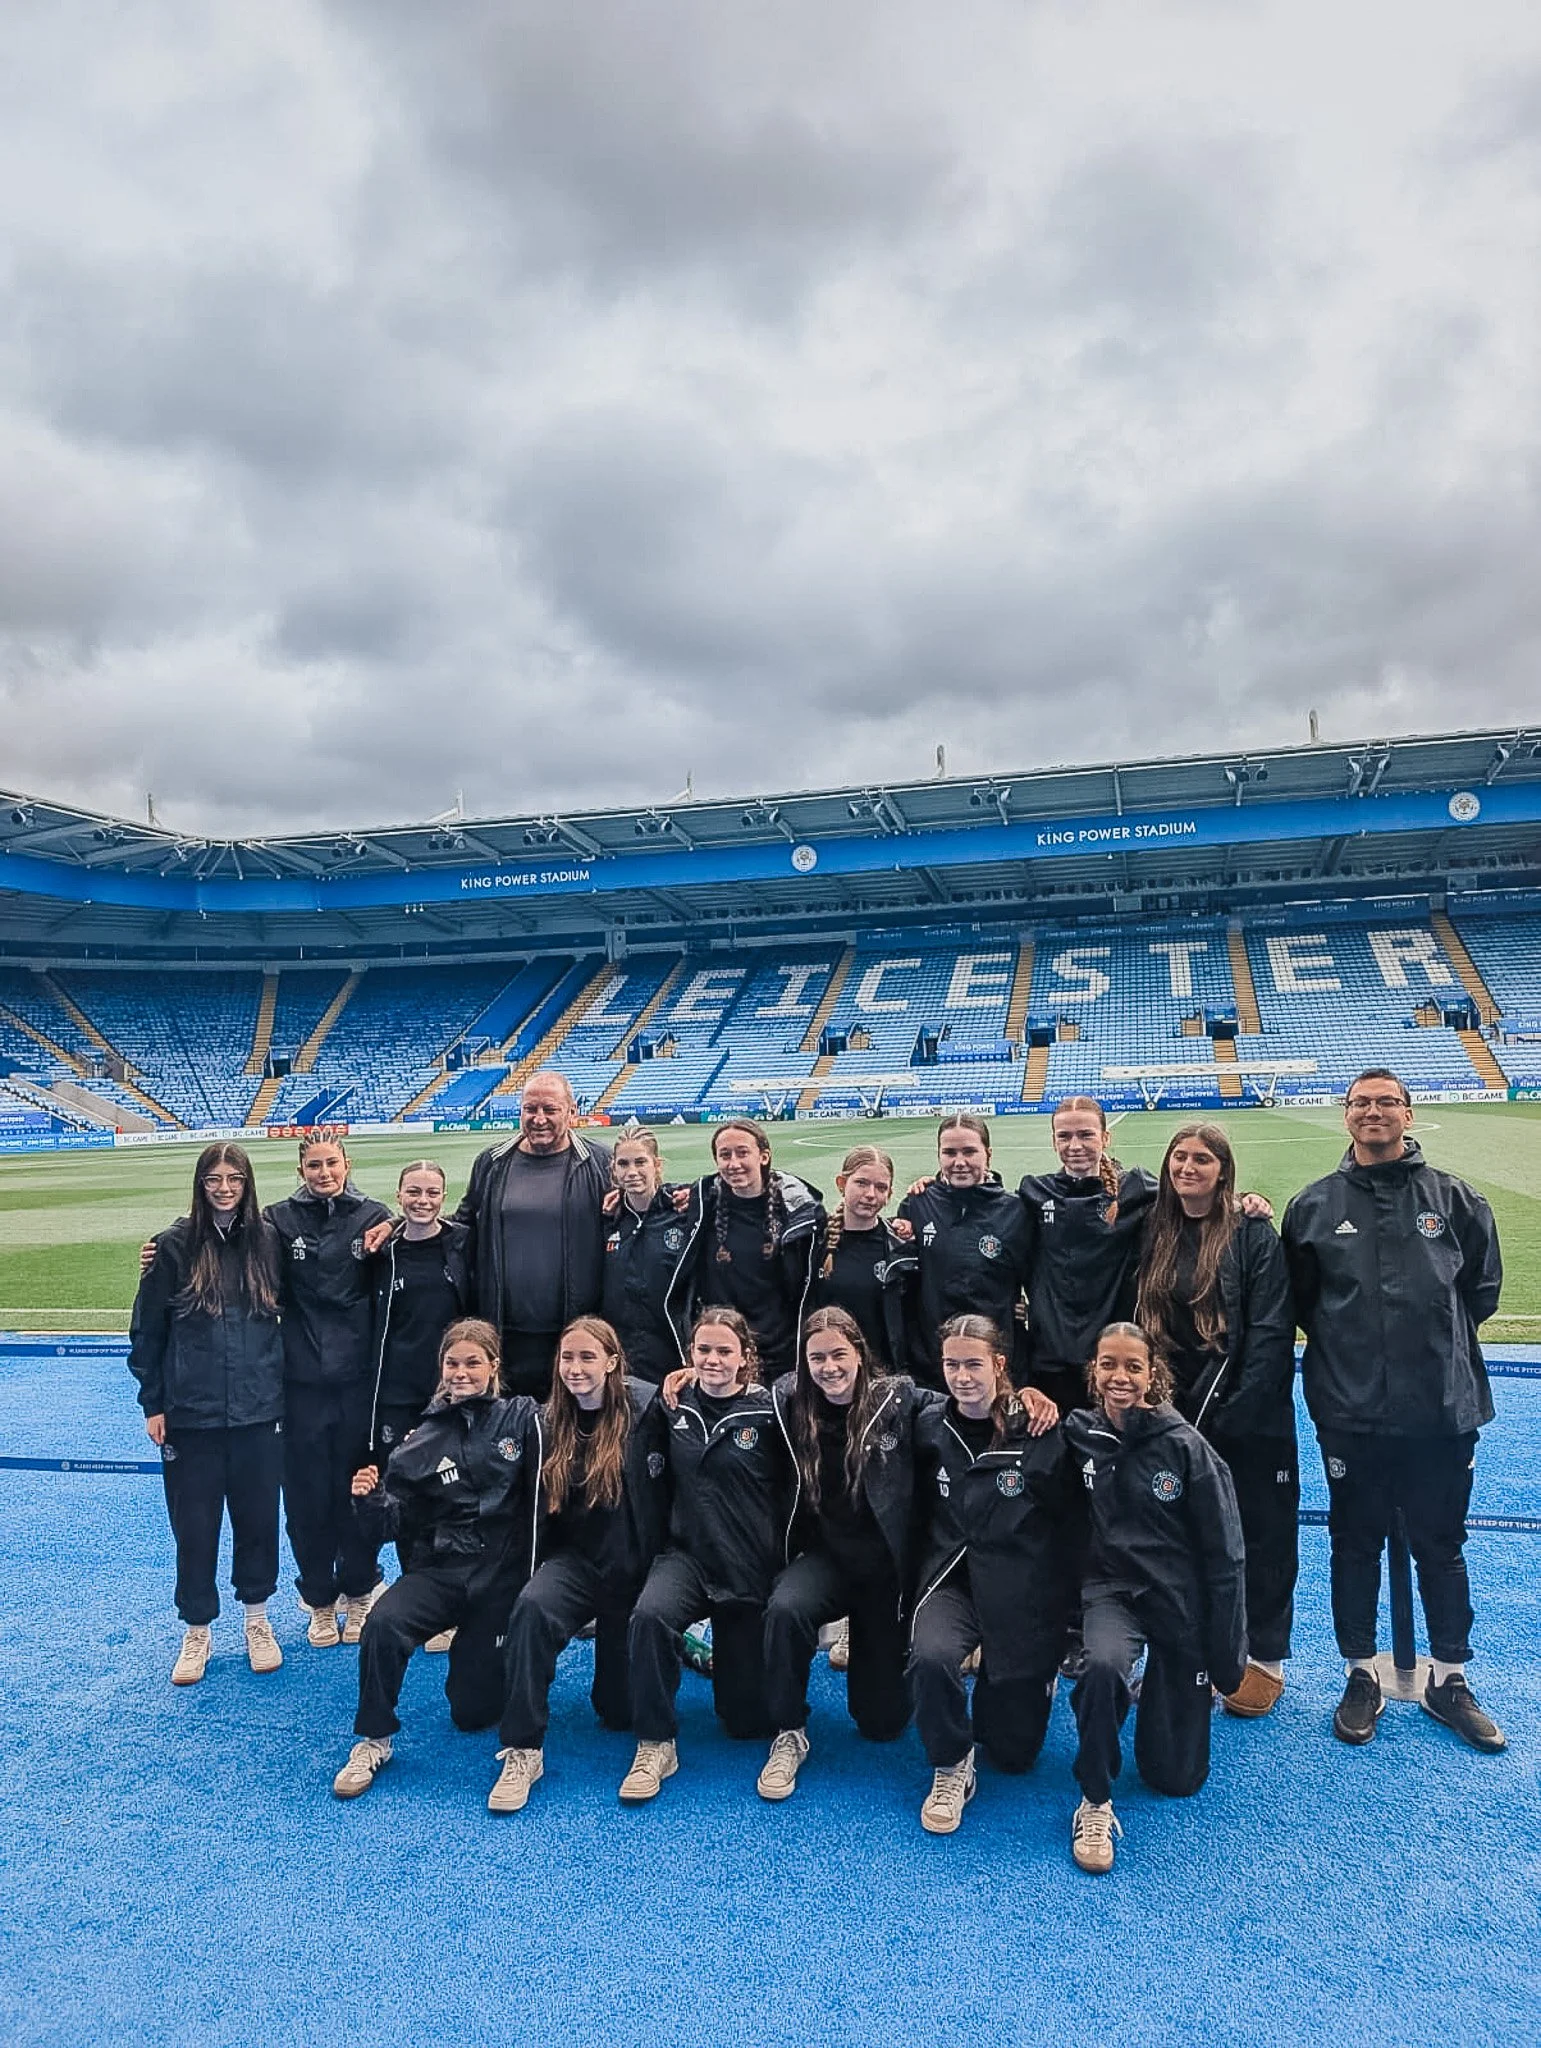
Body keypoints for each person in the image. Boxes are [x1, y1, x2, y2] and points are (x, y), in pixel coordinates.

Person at [1282, 1069, 1505, 1753]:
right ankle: (1359, 1674)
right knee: (1353, 1542)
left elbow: (1480, 1291)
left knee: (1441, 1543)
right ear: (1344, 1115)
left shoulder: (1455, 1200)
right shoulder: (1313, 1206)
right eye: (1360, 1102)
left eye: (1385, 1101)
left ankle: (1450, 1679)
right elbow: (1298, 1304)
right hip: (1351, 1413)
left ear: (1407, 1113)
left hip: (1442, 1408)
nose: (1372, 1111)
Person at [1061, 1323, 1247, 1874]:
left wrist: (1226, 1659)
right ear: (1093, 1372)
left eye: (1132, 1366)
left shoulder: (1187, 1449)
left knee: (1175, 1780)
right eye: (1108, 1364)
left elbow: (1227, 1558)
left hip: (1177, 1602)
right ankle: (1094, 1799)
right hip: (1112, 1593)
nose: (1120, 1377)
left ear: (1152, 1374)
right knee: (1102, 1666)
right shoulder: (1080, 1434)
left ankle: (1163, 1687)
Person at [332, 1321, 542, 1798]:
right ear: (441, 1369)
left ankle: (506, 1694)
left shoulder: (523, 1417)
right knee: (382, 1623)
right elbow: (390, 1526)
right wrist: (369, 1500)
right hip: (444, 1574)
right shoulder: (418, 1442)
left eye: (473, 1362)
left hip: (503, 1577)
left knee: (471, 1714)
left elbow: (580, 1418)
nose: (461, 1373)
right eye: (453, 1363)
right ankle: (373, 1739)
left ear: (493, 1367)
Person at [1135, 1123, 1298, 1717]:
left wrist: (1235, 1417)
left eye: (1202, 1159)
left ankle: (1265, 1657)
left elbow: (1273, 1331)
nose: (1188, 1168)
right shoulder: (1154, 1227)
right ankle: (1195, 1652)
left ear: (1223, 1170)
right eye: (1179, 1157)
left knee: (1261, 1536)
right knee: (1183, 1537)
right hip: (1173, 1410)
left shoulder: (1253, 1232)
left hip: (1246, 1416)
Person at [488, 1318, 668, 1812]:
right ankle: (523, 1750)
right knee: (531, 1609)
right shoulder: (546, 1422)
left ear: (612, 1362)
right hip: (576, 1565)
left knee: (616, 1712)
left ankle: (658, 1729)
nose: (575, 1368)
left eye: (588, 1357)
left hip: (633, 1571)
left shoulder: (649, 1410)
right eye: (568, 1358)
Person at [908, 1316, 1078, 1834]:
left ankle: (1032, 1674)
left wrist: (1060, 1616)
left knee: (1013, 1755)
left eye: (974, 1364)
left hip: (1016, 1589)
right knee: (931, 1657)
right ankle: (952, 1764)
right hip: (953, 1579)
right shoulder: (927, 1423)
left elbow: (1067, 1520)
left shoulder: (1039, 1428)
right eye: (951, 1364)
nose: (961, 1376)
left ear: (1000, 1364)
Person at [128, 1143, 286, 1685]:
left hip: (258, 1414)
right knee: (194, 1529)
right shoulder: (173, 1247)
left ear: (247, 1183)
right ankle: (197, 1630)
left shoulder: (270, 1241)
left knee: (259, 1524)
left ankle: (258, 1621)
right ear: (200, 1184)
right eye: (214, 1179)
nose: (223, 1188)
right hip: (190, 1418)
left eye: (234, 1179)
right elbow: (147, 1331)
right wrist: (154, 1403)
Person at [620, 1309, 789, 1802]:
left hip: (746, 1566)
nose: (712, 1360)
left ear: (745, 1358)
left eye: (723, 1351)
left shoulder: (771, 1411)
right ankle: (656, 1742)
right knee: (649, 1616)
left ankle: (710, 1653)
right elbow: (607, 1385)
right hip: (687, 1556)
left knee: (745, 1723)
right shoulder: (672, 1404)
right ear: (689, 1355)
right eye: (703, 1350)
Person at [756, 1307, 922, 1801]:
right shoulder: (787, 1400)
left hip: (883, 1570)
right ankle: (789, 1730)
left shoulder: (900, 1399)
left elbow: (963, 1404)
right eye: (817, 1358)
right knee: (785, 1608)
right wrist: (679, 1379)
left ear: (859, 1354)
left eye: (838, 1354)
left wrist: (1023, 1396)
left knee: (882, 1724)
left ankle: (883, 1651)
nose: (828, 1367)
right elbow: (729, 1393)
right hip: (826, 1558)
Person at [265, 1134, 393, 1649]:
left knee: (360, 1488)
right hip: (299, 1385)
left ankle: (360, 1589)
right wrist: (165, 1248)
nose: (324, 1173)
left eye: (332, 1163)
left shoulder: (374, 1215)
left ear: (347, 1163)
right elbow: (221, 1242)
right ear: (301, 1169)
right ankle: (319, 1598)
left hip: (359, 1384)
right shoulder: (277, 1219)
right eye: (314, 1165)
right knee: (306, 1496)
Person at [451, 1069, 615, 1398]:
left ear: (572, 1112)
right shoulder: (492, 1162)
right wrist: (396, 1226)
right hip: (503, 1332)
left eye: (550, 1110)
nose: (539, 1119)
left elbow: (634, 1216)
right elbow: (461, 1226)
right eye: (530, 1109)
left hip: (573, 1335)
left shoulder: (599, 1163)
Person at [1016, 1098, 1160, 1417]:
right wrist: (931, 1187)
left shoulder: (1134, 1188)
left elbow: (1192, 1199)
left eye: (1086, 1135)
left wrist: (1246, 1201)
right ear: (1053, 1141)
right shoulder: (1035, 1193)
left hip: (1112, 1362)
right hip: (1051, 1359)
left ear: (1105, 1138)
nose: (1075, 1145)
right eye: (1064, 1136)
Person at [665, 1118, 826, 1381]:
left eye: (742, 1153)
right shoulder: (703, 1201)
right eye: (724, 1155)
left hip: (781, 1354)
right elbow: (652, 1195)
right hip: (721, 1353)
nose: (733, 1164)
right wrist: (618, 1196)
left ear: (763, 1156)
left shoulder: (799, 1211)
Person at [897, 1116, 1032, 1389]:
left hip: (996, 1362)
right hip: (933, 1364)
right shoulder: (917, 1204)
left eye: (969, 1151)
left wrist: (1027, 1308)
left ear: (988, 1154)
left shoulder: (1016, 1210)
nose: (959, 1162)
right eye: (949, 1153)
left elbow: (1038, 1274)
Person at [365, 1160, 473, 1464]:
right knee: (398, 1480)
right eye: (413, 1192)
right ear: (398, 1196)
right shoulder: (382, 1254)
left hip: (450, 1388)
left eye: (432, 1193)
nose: (423, 1201)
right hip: (397, 1392)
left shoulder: (463, 1244)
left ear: (443, 1197)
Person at [806, 1144, 916, 1373]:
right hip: (826, 1373)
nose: (870, 1194)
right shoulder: (811, 1242)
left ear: (889, 1195)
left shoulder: (900, 1248)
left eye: (880, 1187)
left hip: (880, 1374)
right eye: (862, 1183)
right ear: (841, 1184)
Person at [600, 1126, 698, 1383]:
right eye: (623, 1164)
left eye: (640, 1162)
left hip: (672, 1355)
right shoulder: (608, 1219)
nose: (632, 1172)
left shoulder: (683, 1214)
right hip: (621, 1358)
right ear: (614, 1169)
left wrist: (701, 1192)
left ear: (657, 1164)